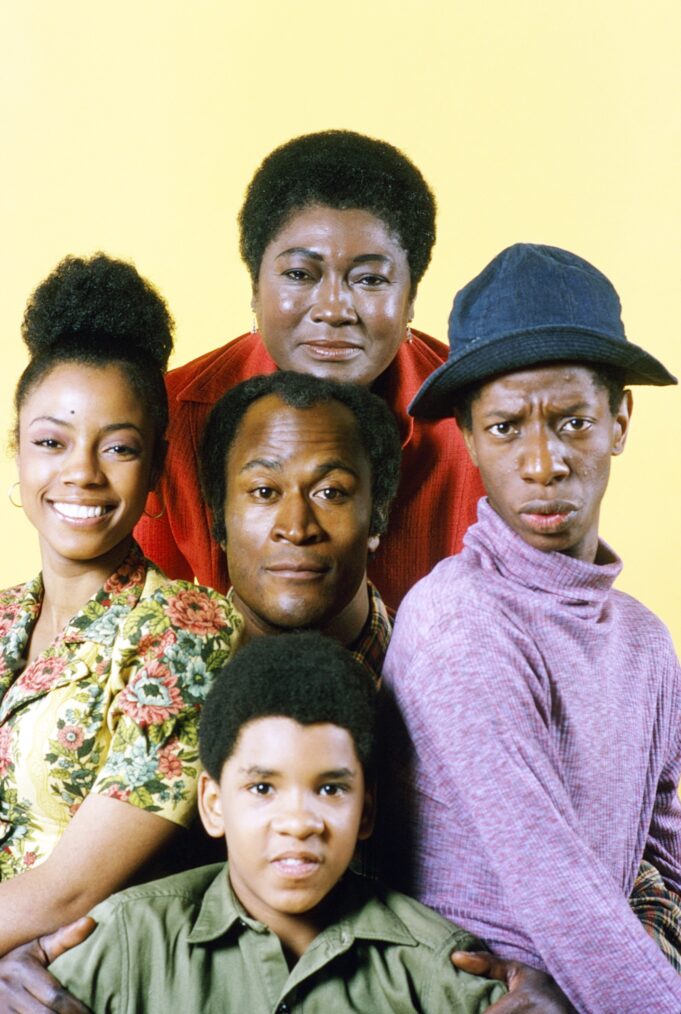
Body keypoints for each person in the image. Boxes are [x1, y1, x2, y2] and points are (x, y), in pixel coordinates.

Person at [379, 243, 681, 1012]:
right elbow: (555, 891)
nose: (543, 462)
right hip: (462, 995)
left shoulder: (642, 640)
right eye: (508, 427)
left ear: (618, 421)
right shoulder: (459, 621)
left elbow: (667, 861)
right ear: (470, 440)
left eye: (572, 421)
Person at [47, 631, 508, 1013]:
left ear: (365, 810)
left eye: (330, 789)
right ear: (214, 804)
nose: (298, 823)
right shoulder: (126, 943)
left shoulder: (436, 970)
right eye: (263, 788)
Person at [134, 130, 485, 611]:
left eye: (369, 279)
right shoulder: (172, 417)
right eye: (300, 274)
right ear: (255, 288)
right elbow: (143, 626)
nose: (333, 309)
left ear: (411, 299)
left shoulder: (477, 412)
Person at [0, 254, 241, 954]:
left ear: (157, 470)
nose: (81, 472)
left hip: (91, 984)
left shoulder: (185, 632)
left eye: (119, 448)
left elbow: (69, 892)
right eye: (52, 442)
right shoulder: (6, 618)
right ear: (18, 454)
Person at [198, 370, 401, 680]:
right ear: (219, 516)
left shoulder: (441, 670)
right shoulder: (149, 676)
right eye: (264, 492)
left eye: (330, 493)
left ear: (378, 516)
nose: (296, 529)